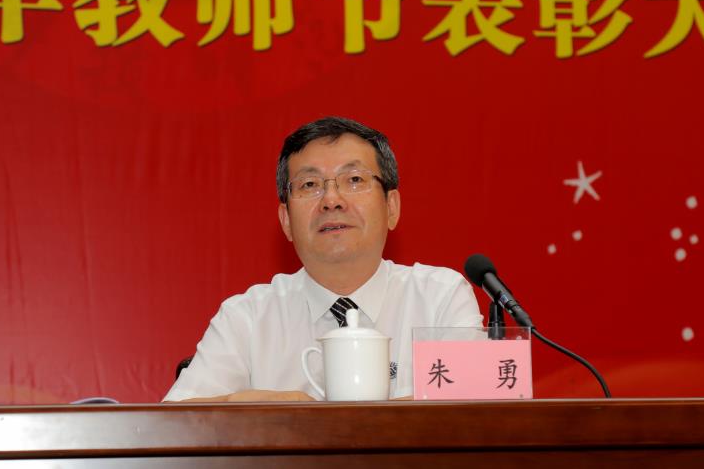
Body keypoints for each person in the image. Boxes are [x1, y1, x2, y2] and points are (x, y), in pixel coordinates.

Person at [164, 116, 483, 402]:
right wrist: (258, 414)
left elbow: (476, 409)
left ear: (391, 207)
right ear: (286, 221)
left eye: (354, 180)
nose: (331, 200)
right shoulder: (247, 318)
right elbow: (175, 424)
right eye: (310, 185)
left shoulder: (438, 298)